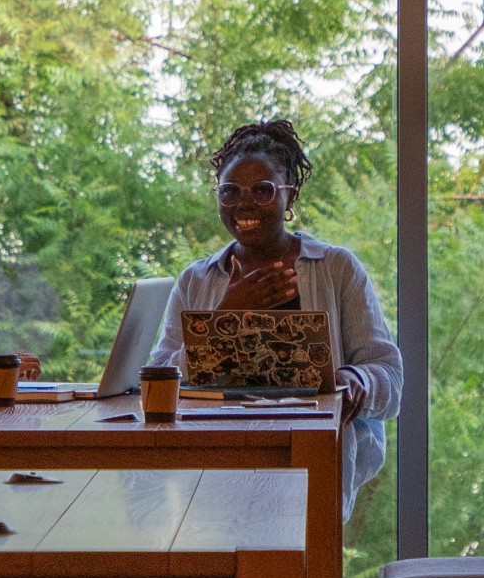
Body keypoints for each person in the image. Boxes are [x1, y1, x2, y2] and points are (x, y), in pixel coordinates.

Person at [161, 118, 403, 519]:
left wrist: (357, 381)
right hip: (213, 480)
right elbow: (155, 385)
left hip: (313, 473)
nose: (244, 203)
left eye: (263, 190)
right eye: (230, 191)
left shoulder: (336, 268)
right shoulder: (196, 280)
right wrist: (225, 317)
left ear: (290, 197)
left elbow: (390, 378)